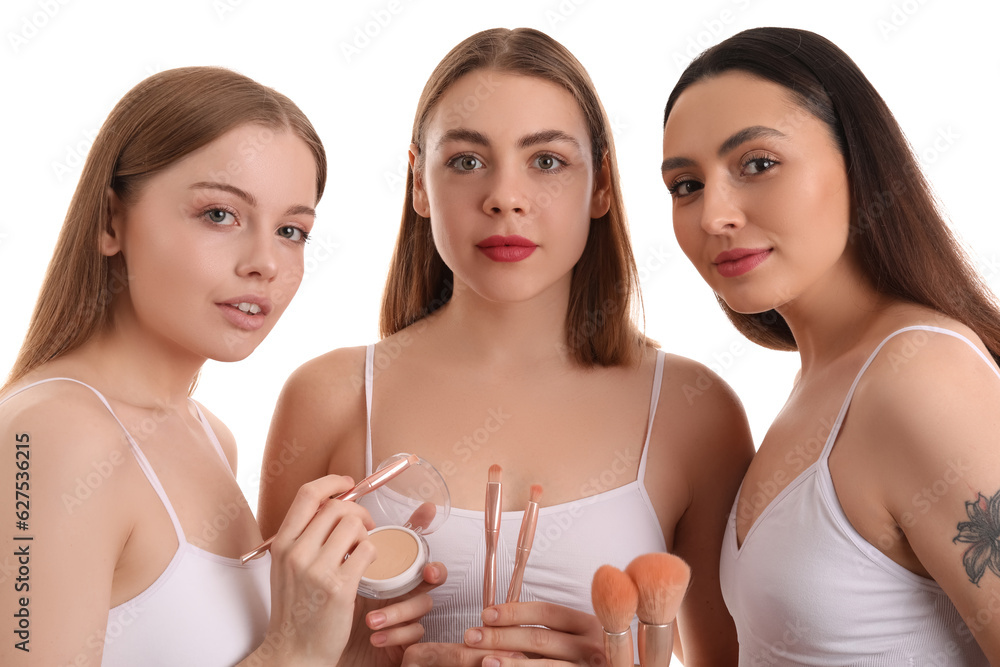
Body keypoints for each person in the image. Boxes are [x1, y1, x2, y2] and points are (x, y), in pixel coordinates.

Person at [258, 27, 754, 666]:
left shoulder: (696, 412)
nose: (504, 199)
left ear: (601, 184)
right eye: (467, 161)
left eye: (546, 161)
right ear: (417, 183)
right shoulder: (327, 397)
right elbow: (269, 649)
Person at [0, 66, 433, 666]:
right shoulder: (51, 436)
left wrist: (345, 640)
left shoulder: (211, 437)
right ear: (109, 222)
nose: (265, 262)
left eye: (291, 230)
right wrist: (294, 650)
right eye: (220, 215)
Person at [661, 27, 1000, 664]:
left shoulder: (921, 376)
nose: (713, 215)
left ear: (859, 162)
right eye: (686, 185)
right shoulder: (818, 388)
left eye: (757, 164)